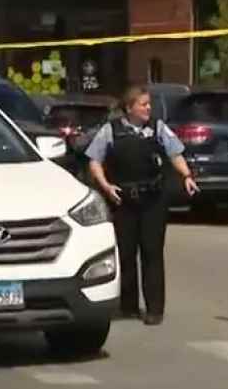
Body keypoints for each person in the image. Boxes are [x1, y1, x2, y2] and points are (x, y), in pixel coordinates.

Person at [85, 85, 199, 326]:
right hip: (123, 200)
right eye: (143, 104)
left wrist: (187, 176)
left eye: (149, 104)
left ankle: (155, 309)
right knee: (126, 253)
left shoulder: (158, 128)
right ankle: (128, 306)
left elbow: (175, 153)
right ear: (129, 108)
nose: (149, 108)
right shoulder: (110, 130)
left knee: (152, 252)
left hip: (153, 199)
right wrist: (106, 186)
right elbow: (94, 160)